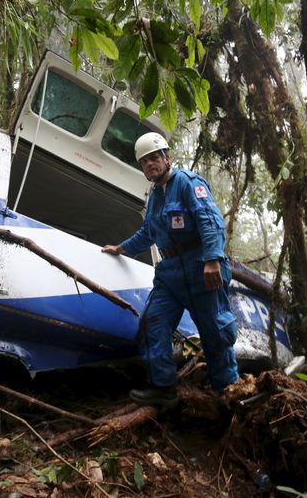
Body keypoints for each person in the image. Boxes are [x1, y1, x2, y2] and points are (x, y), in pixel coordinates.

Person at [101, 132, 239, 409]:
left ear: (166, 158)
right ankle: (163, 389)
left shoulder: (187, 183)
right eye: (144, 162)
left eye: (154, 158)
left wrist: (213, 259)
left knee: (215, 331)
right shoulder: (154, 197)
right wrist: (122, 248)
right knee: (153, 322)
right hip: (171, 274)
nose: (150, 164)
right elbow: (148, 232)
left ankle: (228, 391)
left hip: (202, 267)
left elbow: (210, 221)